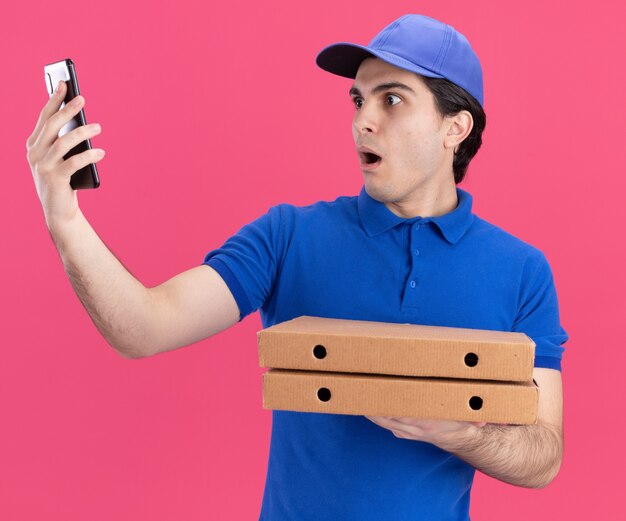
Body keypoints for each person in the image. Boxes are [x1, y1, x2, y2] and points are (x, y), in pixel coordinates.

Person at [26, 13, 568, 521]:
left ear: (455, 128)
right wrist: (64, 219)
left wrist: (459, 431)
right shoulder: (288, 237)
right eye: (358, 100)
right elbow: (143, 328)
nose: (363, 121)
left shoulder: (521, 271)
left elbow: (542, 456)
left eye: (392, 100)